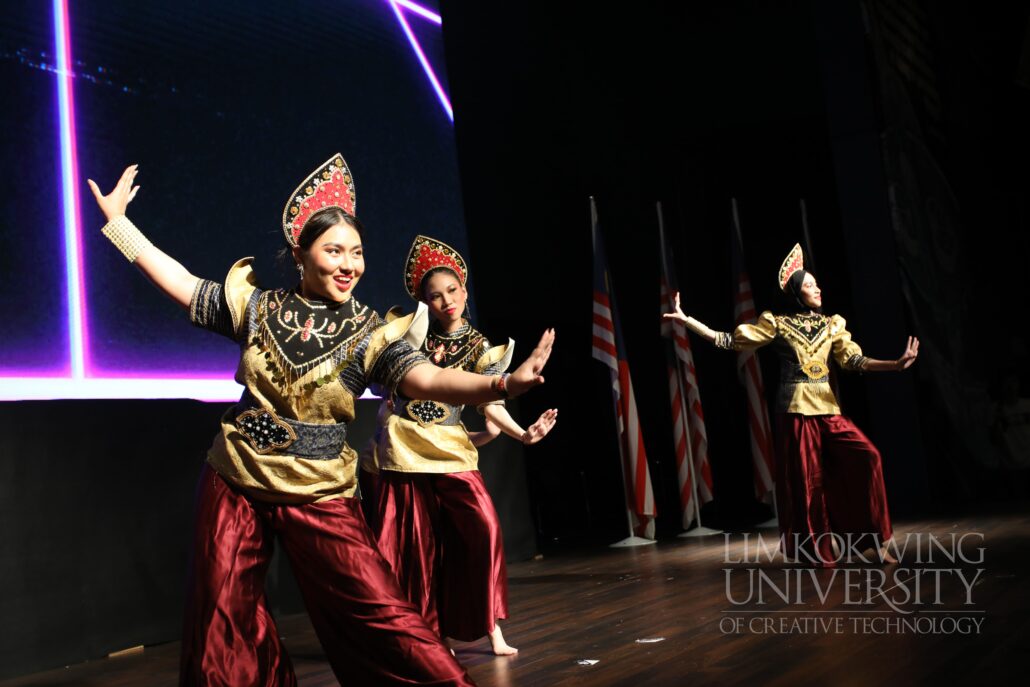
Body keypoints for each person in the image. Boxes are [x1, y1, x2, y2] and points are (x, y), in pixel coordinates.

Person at [86, 155, 555, 686]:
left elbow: (424, 379)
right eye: (334, 250)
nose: (349, 264)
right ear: (300, 255)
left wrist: (500, 385)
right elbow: (185, 285)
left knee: (381, 613)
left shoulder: (369, 332)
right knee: (222, 614)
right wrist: (120, 226)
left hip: (320, 487)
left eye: (357, 253)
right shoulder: (259, 308)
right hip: (236, 474)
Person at [663, 243, 918, 567]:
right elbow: (730, 340)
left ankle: (868, 540)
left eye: (816, 283)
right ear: (797, 293)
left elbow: (853, 359)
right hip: (795, 411)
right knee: (807, 484)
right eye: (810, 285)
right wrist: (688, 321)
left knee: (868, 458)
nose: (818, 289)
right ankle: (817, 552)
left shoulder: (832, 324)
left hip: (828, 410)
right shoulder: (777, 323)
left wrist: (894, 365)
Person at [365, 235, 557, 656]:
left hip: (451, 452)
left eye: (452, 291)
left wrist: (522, 434)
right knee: (412, 547)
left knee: (483, 531)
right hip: (404, 450)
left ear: (465, 290)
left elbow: (492, 403)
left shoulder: (480, 349)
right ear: (425, 302)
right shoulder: (410, 338)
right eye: (435, 296)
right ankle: (429, 635)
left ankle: (491, 628)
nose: (446, 301)